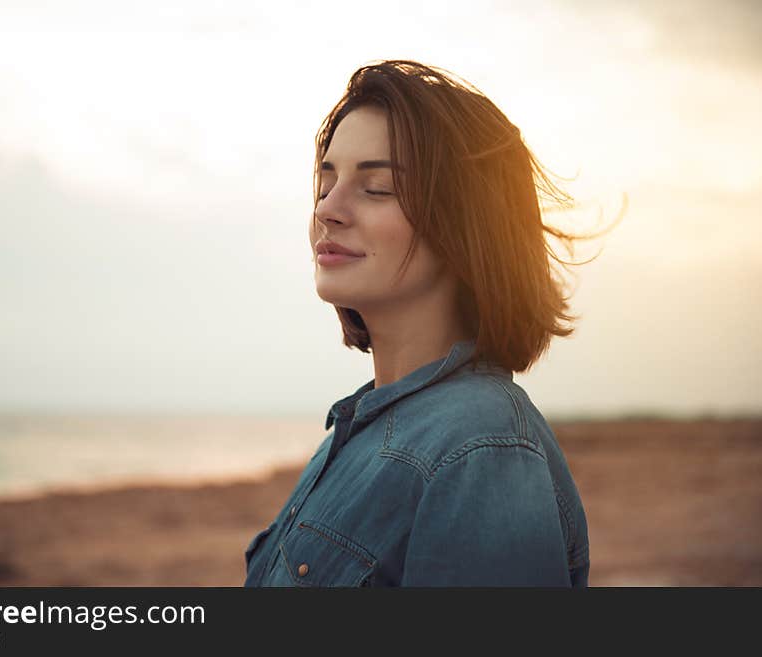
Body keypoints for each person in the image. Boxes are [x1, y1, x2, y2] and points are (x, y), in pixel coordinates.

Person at [244, 59, 600, 587]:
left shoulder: (480, 450)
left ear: (466, 224)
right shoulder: (358, 429)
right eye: (326, 181)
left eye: (377, 187)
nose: (328, 210)